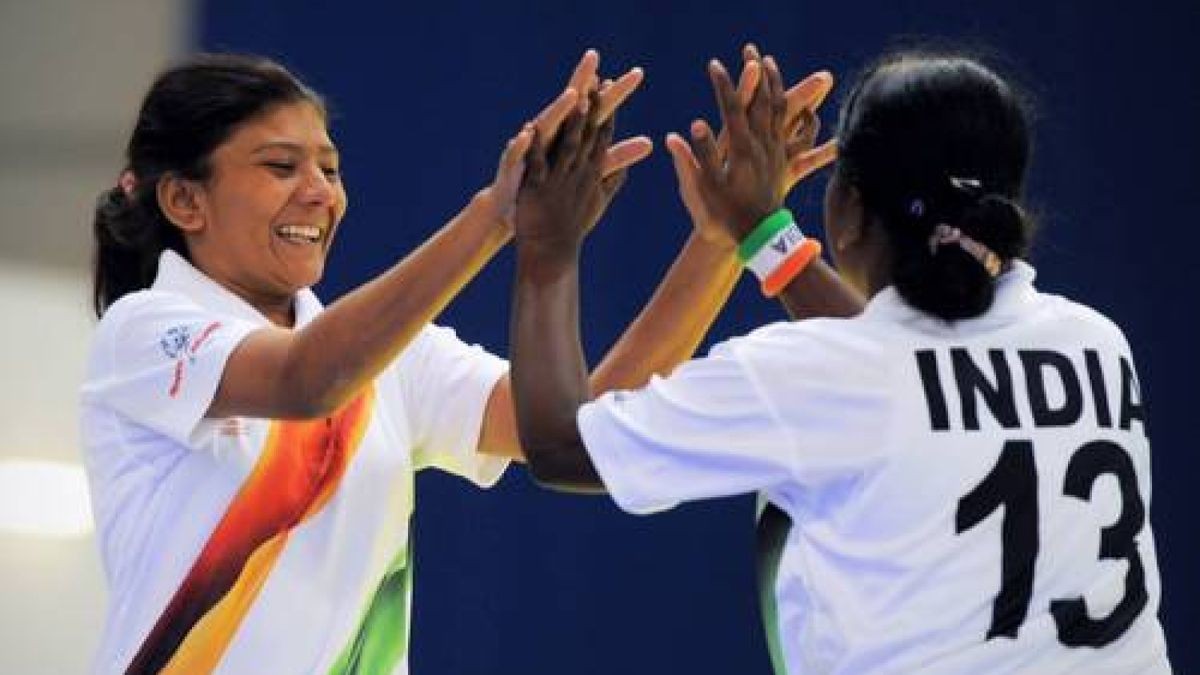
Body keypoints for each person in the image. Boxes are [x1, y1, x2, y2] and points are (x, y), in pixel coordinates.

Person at [79, 49, 843, 674]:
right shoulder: (143, 333)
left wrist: (723, 234)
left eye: (331, 168)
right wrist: (496, 215)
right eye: (281, 167)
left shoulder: (390, 359)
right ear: (185, 201)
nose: (320, 193)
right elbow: (305, 378)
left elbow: (592, 426)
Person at [510, 49, 1171, 673]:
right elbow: (900, 377)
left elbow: (562, 445)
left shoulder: (814, 376)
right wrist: (761, 234)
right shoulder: (1095, 343)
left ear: (846, 208)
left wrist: (548, 243)